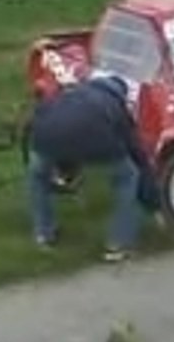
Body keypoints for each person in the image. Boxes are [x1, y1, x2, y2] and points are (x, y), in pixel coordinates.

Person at [25, 72, 165, 262]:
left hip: (44, 136)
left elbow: (48, 120)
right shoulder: (117, 105)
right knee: (128, 177)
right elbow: (139, 157)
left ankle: (43, 234)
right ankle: (118, 243)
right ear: (121, 93)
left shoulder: (70, 92)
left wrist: (63, 170)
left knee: (37, 177)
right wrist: (154, 204)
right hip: (95, 138)